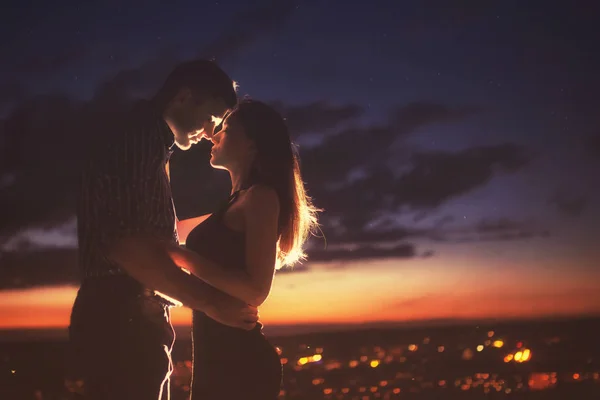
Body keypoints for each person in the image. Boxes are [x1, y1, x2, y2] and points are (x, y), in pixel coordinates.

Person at [69, 60, 258, 400]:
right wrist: (211, 303)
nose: (210, 132)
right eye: (212, 118)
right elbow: (125, 245)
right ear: (184, 97)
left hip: (127, 316)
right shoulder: (137, 139)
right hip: (122, 320)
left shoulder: (147, 143)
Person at [161, 99, 320, 399]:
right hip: (218, 357)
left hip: (239, 363)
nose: (216, 135)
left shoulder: (260, 197)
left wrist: (184, 257)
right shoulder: (235, 201)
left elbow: (256, 290)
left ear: (252, 145)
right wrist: (195, 131)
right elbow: (170, 226)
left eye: (227, 130)